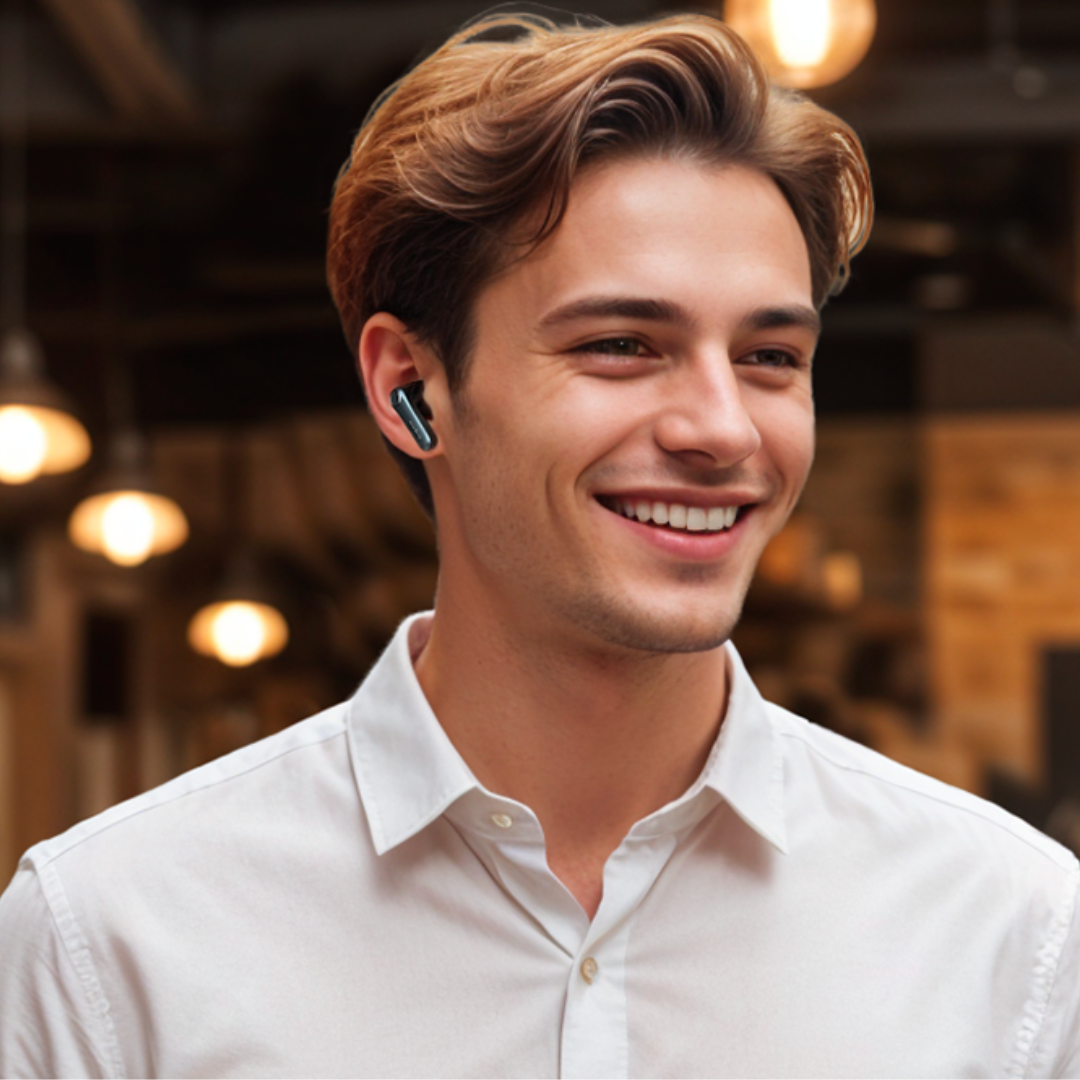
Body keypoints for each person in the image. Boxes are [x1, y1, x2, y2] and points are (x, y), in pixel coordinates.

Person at [2, 10, 1079, 1077]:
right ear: (410, 386)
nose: (722, 429)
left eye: (769, 357)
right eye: (622, 344)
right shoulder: (109, 945)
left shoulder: (1010, 939)